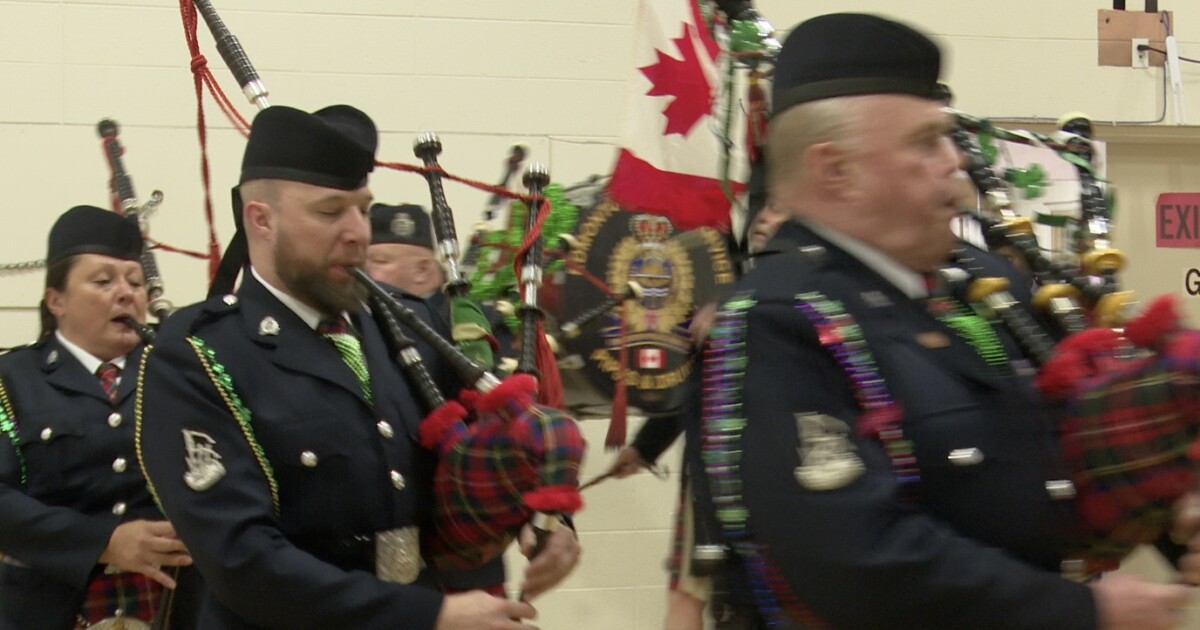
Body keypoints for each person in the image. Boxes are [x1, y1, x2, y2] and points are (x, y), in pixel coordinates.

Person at [688, 13, 1194, 630]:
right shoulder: (778, 320)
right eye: (926, 143)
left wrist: (1174, 505)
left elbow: (1057, 459)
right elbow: (854, 561)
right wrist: (1082, 611)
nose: (955, 161)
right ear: (836, 171)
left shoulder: (971, 290)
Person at [136, 104, 578, 629]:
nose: (358, 233)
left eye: (362, 210)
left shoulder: (410, 324)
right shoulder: (199, 354)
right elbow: (242, 561)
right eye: (330, 212)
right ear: (261, 219)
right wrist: (430, 614)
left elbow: (484, 447)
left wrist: (545, 516)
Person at [0, 205, 201, 628]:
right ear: (56, 300)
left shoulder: (183, 375)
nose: (126, 294)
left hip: (175, 604)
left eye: (135, 282)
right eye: (103, 281)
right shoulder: (10, 381)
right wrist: (104, 541)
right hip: (46, 608)